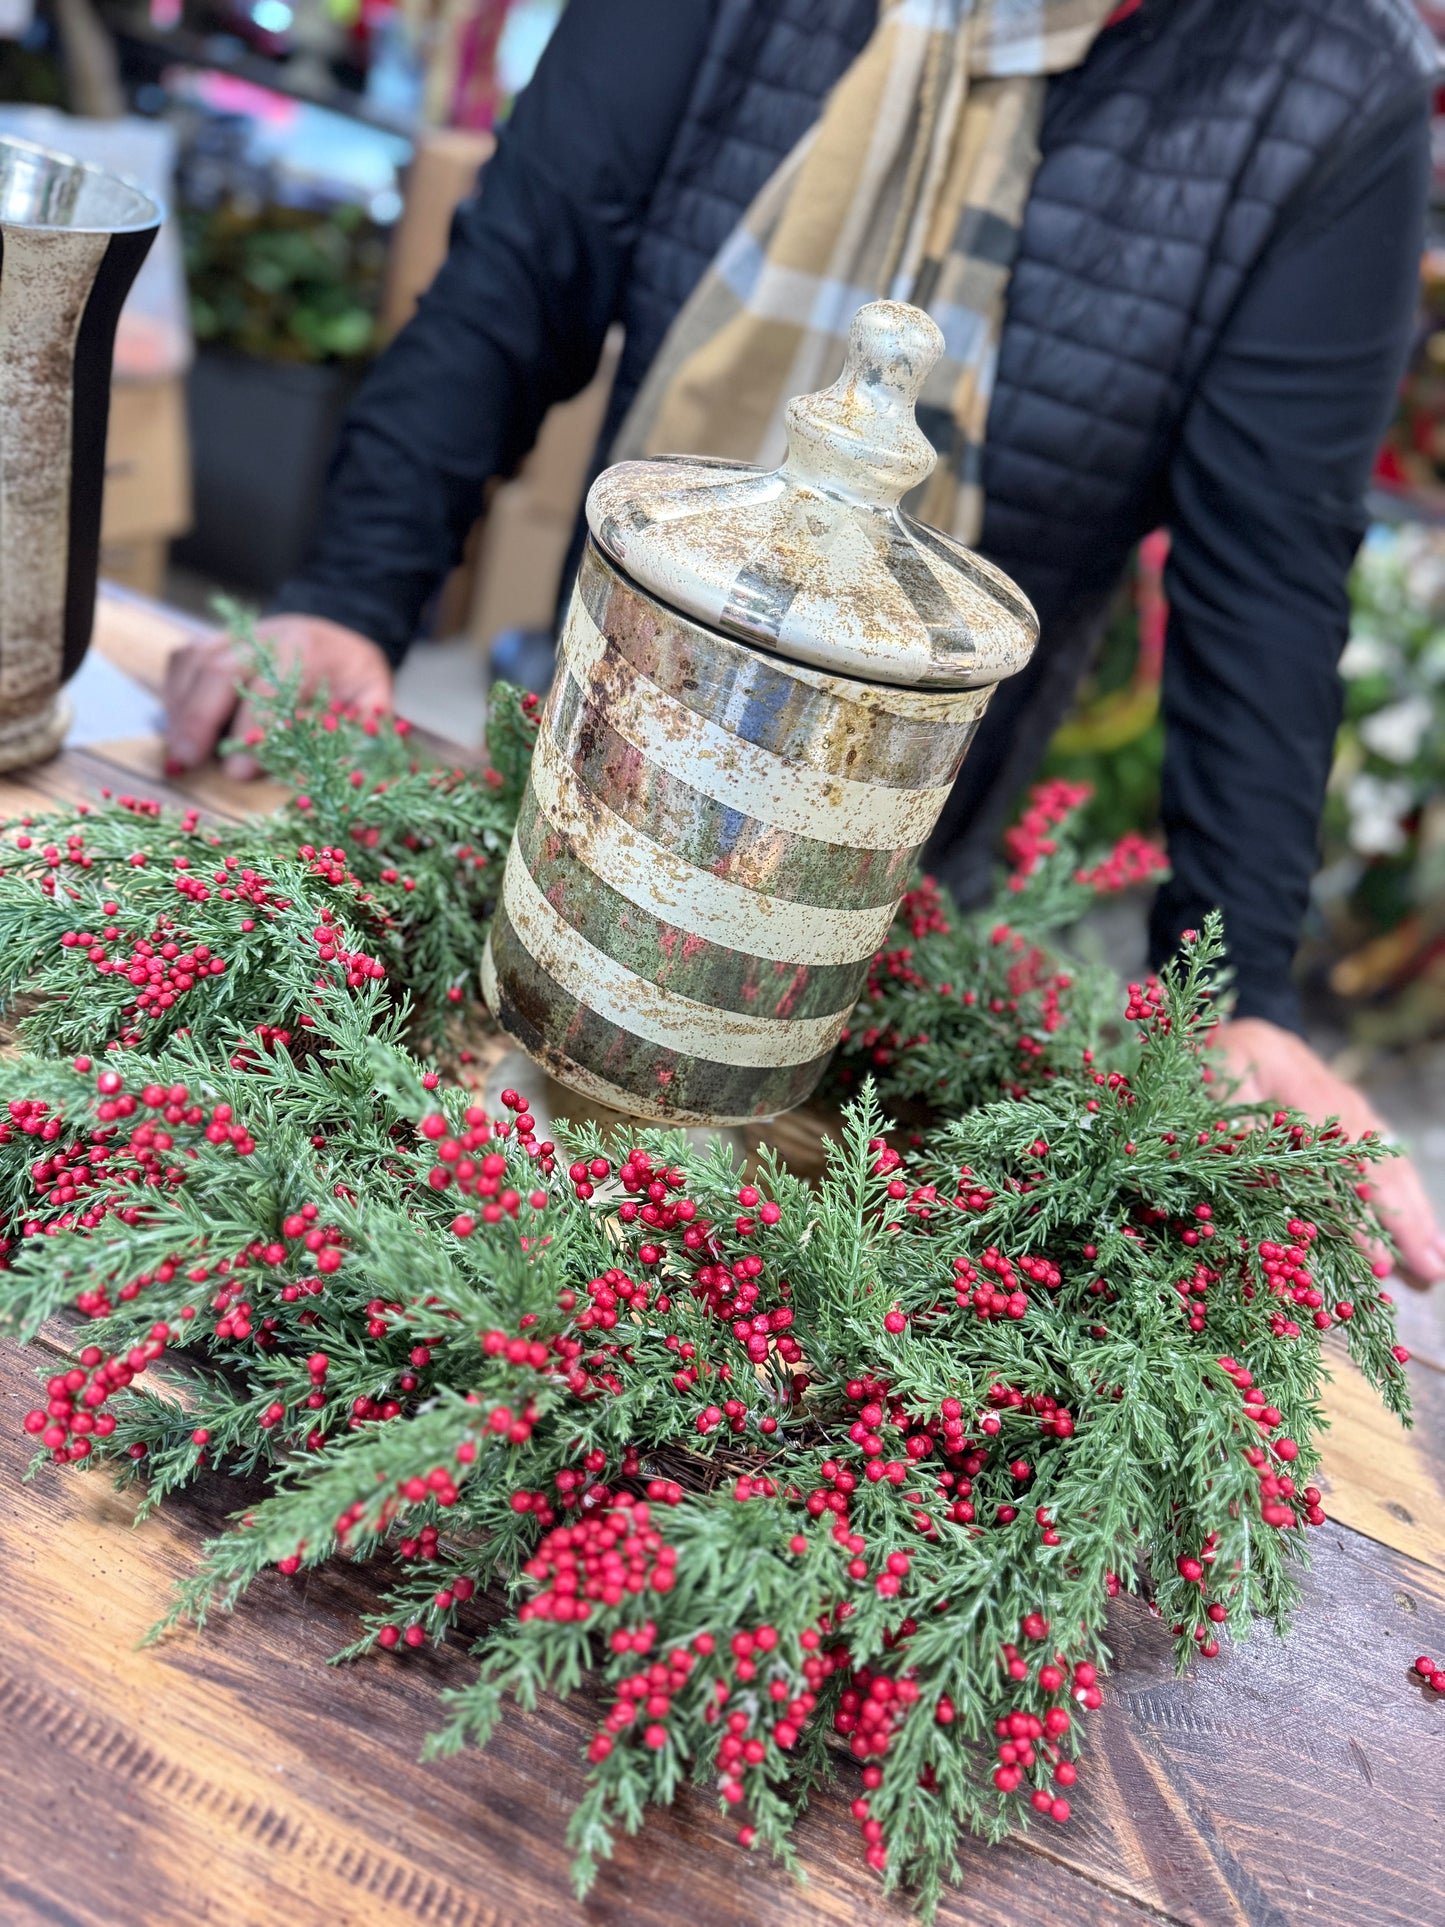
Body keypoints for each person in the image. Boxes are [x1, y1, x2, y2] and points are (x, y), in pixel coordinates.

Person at [163, 0, 1445, 1285]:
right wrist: (345, 594)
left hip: (895, 906)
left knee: (754, 1254)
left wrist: (1237, 997)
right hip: (597, 755)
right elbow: (520, 273)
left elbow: (1265, 569)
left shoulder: (1328, 73)